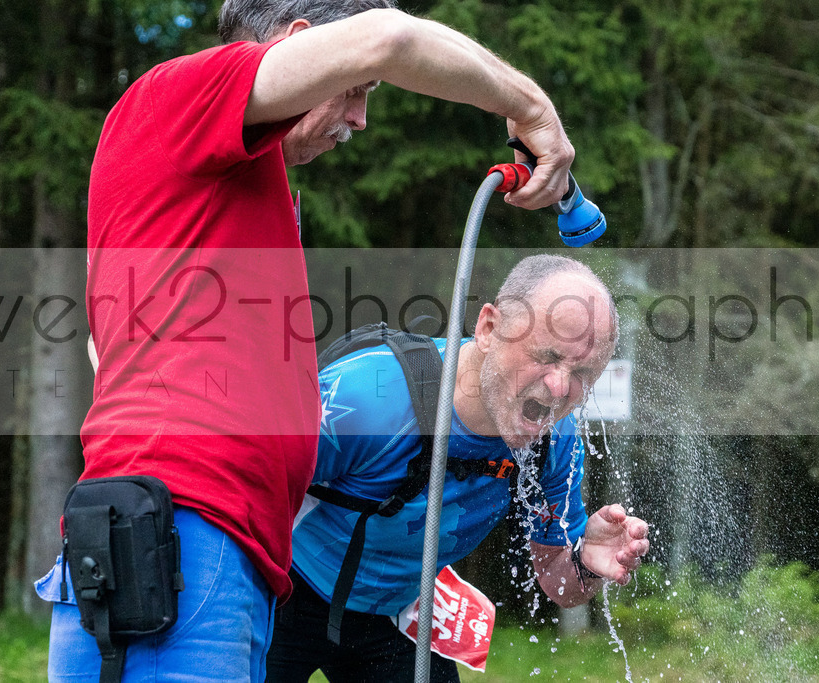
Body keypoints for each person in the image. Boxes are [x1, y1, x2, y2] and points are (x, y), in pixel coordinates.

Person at [34, 1, 577, 681]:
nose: (360, 118)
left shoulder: (229, 186)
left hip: (211, 547)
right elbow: (388, 35)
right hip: (183, 535)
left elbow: (106, 343)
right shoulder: (179, 94)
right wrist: (532, 109)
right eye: (356, 91)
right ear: (301, 45)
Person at [266, 255, 650, 682]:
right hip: (283, 587)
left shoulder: (554, 443)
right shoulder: (369, 400)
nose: (559, 387)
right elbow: (236, 496)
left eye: (582, 372)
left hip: (397, 613)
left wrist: (587, 564)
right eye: (546, 355)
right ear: (488, 328)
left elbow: (558, 583)